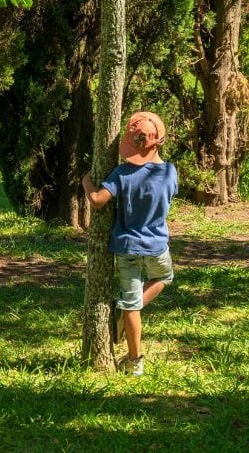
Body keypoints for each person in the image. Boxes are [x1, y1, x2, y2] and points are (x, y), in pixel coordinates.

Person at [81, 111, 177, 376]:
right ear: (159, 141)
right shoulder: (170, 172)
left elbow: (98, 200)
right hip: (157, 246)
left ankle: (135, 362)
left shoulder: (122, 173)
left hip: (126, 248)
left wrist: (86, 182)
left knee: (132, 303)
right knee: (164, 277)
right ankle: (125, 313)